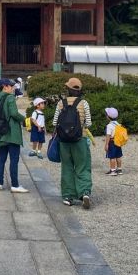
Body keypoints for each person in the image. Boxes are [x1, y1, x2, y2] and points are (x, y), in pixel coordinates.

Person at [52, 77, 93, 209]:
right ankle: (84, 192)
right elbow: (89, 123)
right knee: (82, 166)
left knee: (67, 167)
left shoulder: (60, 103)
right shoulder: (84, 103)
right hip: (80, 139)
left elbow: (54, 123)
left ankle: (68, 196)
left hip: (64, 141)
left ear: (68, 89)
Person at [0, 78, 29, 193]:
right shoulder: (10, 97)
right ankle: (15, 185)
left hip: (0, 132)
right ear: (5, 86)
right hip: (11, 132)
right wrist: (25, 120)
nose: (13, 88)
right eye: (11, 86)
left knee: (1, 158)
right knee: (14, 159)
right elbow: (13, 113)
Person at [103, 107, 124, 176]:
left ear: (109, 117)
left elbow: (108, 135)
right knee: (118, 156)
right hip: (118, 142)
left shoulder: (109, 125)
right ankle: (119, 169)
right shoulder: (118, 124)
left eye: (106, 115)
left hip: (112, 143)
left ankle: (112, 171)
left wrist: (106, 144)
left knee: (112, 157)